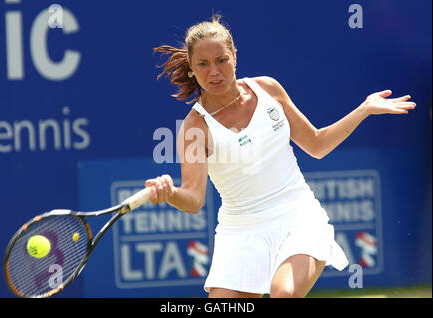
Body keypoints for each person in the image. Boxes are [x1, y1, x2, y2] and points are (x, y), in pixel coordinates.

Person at [147, 15, 416, 298]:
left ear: (235, 57)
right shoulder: (194, 128)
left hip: (297, 216)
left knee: (283, 294)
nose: (214, 71)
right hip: (239, 233)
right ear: (191, 67)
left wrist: (364, 109)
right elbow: (193, 199)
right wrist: (171, 193)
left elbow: (317, 144)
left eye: (221, 60)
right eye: (203, 64)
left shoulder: (268, 89)